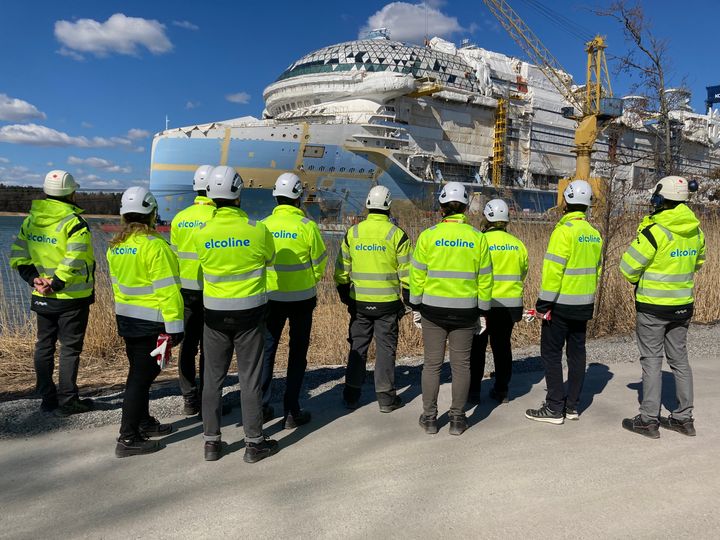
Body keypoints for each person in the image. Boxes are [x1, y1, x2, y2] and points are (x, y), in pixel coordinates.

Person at [194, 165, 278, 463]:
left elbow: (198, 269)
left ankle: (211, 443)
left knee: (212, 378)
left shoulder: (202, 233)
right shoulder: (257, 229)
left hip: (214, 314)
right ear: (238, 195)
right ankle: (254, 443)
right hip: (250, 315)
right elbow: (270, 257)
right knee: (250, 377)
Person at [620, 176, 705, 438]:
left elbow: (627, 267)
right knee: (680, 360)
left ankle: (648, 420)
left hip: (653, 308)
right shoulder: (696, 231)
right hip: (682, 306)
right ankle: (684, 418)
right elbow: (698, 263)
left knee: (652, 361)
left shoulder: (654, 231)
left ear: (660, 199)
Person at [10, 170, 95, 417]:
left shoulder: (30, 221)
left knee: (44, 345)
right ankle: (68, 400)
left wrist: (33, 279)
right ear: (71, 192)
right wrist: (56, 283)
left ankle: (47, 398)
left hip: (41, 295)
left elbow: (18, 253)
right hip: (71, 297)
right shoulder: (74, 222)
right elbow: (76, 257)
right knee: (69, 349)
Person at [410, 182, 493, 435]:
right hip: (466, 312)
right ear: (466, 208)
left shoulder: (428, 235)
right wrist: (483, 311)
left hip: (432, 311)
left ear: (441, 207)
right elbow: (486, 279)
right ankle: (458, 419)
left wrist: (415, 305)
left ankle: (430, 418)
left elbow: (417, 275)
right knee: (461, 366)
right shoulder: (478, 238)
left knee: (432, 365)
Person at [107, 187, 184, 458]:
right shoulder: (155, 247)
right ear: (152, 215)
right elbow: (169, 290)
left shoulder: (116, 248)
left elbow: (120, 288)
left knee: (138, 374)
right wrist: (175, 327)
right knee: (140, 379)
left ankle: (143, 423)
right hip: (152, 323)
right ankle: (127, 438)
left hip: (127, 320)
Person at [526, 179, 602, 425]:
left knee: (550, 353)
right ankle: (571, 407)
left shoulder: (564, 231)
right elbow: (596, 271)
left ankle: (554, 407)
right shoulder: (594, 234)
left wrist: (543, 304)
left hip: (559, 306)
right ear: (587, 205)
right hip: (583, 304)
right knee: (577, 354)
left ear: (566, 202)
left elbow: (553, 272)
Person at [334, 185, 411, 413]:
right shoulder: (397, 235)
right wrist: (408, 298)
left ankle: (350, 395)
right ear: (388, 206)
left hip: (359, 303)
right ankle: (386, 399)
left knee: (358, 347)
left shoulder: (353, 233)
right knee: (386, 349)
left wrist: (344, 294)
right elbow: (407, 273)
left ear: (368, 205)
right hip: (387, 304)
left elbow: (341, 269)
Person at [260, 173, 327, 428]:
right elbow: (320, 262)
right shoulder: (307, 227)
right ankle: (291, 411)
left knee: (267, 350)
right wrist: (309, 281)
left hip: (270, 298)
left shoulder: (264, 225)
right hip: (302, 299)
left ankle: (262, 406)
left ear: (276, 196)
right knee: (297, 353)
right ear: (298, 198)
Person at [468, 199, 528, 404]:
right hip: (510, 306)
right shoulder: (517, 244)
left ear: (487, 218)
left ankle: (473, 391)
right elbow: (523, 273)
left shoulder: (480, 241)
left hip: (485, 305)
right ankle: (502, 390)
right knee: (502, 347)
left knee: (477, 348)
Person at [170, 164, 216, 416]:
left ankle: (189, 397)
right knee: (211, 347)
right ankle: (209, 397)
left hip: (184, 291)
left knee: (188, 346)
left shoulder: (179, 218)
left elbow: (175, 256)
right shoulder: (216, 218)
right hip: (211, 292)